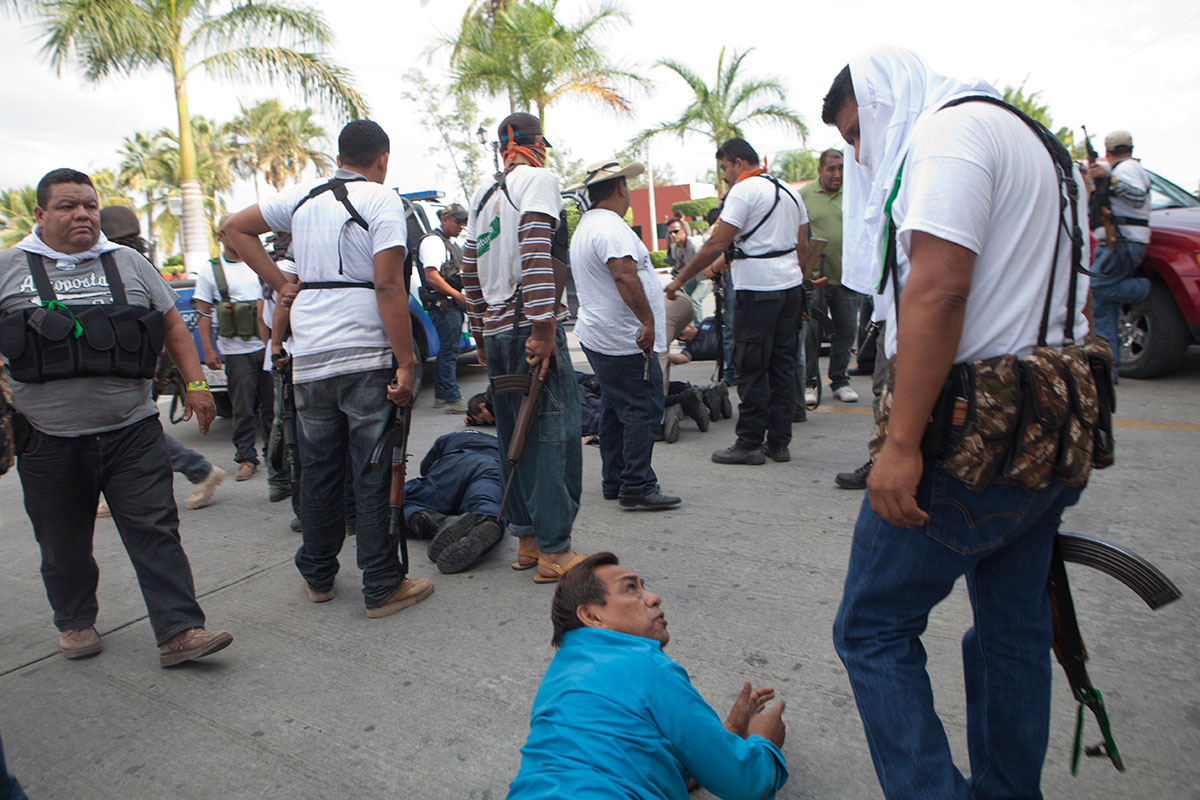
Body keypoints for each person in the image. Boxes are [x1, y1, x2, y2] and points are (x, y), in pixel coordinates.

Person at [822, 47, 1093, 798]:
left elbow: (940, 292)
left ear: (887, 101)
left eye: (858, 131)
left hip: (970, 442)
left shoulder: (946, 137)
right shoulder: (1040, 145)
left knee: (871, 628)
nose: (858, 153)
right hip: (1047, 435)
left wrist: (901, 443)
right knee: (1013, 629)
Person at [1, 168, 233, 666]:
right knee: (62, 541)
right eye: (67, 206)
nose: (82, 214)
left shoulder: (128, 262)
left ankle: (180, 630)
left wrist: (196, 386)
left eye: (89, 205)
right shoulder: (9, 267)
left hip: (133, 429)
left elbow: (172, 322)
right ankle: (75, 620)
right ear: (40, 214)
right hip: (47, 437)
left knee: (156, 530)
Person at [223, 119, 434, 618]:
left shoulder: (303, 197)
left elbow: (233, 227)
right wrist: (407, 362)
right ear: (383, 159)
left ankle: (317, 576)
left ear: (339, 158)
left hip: (311, 356)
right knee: (372, 470)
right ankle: (381, 584)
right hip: (363, 354)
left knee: (317, 471)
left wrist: (282, 283)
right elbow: (388, 286)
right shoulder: (382, 200)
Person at [507, 552, 788, 799]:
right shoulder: (645, 665)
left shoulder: (555, 681)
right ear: (592, 616)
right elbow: (744, 783)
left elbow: (634, 771)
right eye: (631, 588)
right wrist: (765, 742)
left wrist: (728, 731)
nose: (653, 598)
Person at [461, 112, 585, 583]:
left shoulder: (483, 194)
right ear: (536, 145)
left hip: (498, 331)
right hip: (529, 327)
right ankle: (555, 550)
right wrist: (544, 329)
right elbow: (535, 250)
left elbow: (469, 267)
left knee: (513, 436)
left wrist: (479, 332)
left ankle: (528, 542)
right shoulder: (539, 180)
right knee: (553, 438)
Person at [666, 137, 808, 465]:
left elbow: (716, 244)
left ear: (739, 162)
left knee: (752, 367)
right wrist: (796, 283)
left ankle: (749, 443)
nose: (724, 175)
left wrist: (680, 279)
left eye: (725, 167)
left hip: (757, 290)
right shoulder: (790, 192)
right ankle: (779, 443)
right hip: (790, 289)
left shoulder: (744, 192)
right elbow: (803, 247)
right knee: (783, 366)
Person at [97, 205, 226, 511]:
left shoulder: (124, 266)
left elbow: (166, 323)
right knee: (124, 427)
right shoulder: (135, 263)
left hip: (135, 363)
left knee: (131, 428)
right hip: (143, 360)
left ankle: (199, 470)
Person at [569, 159, 680, 511]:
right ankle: (637, 483)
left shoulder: (589, 225)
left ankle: (616, 479)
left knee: (615, 408)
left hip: (602, 334)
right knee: (643, 408)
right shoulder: (610, 227)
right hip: (622, 337)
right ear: (620, 187)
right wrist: (647, 321)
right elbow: (624, 275)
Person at [193, 216, 273, 481]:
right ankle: (247, 458)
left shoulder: (260, 263)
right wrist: (209, 350)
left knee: (273, 407)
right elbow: (203, 314)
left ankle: (276, 456)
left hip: (266, 347)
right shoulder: (211, 270)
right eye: (232, 232)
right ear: (221, 236)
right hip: (236, 351)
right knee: (243, 408)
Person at [1086, 130, 1151, 379]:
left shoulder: (1127, 169)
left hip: (1122, 243)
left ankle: (1145, 289)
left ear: (1108, 151)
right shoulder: (1122, 169)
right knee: (1104, 309)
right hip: (1115, 243)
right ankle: (1108, 369)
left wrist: (1108, 179)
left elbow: (1137, 197)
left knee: (1097, 287)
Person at [799, 148, 860, 404]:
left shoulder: (854, 193)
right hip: (815, 280)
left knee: (846, 331)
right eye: (832, 168)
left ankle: (839, 380)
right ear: (820, 170)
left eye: (842, 168)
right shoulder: (804, 195)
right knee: (812, 333)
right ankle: (809, 383)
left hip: (847, 278)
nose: (838, 174)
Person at [404, 429, 505, 574]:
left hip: (456, 461)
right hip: (494, 466)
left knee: (398, 500)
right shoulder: (502, 441)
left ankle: (437, 522)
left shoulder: (449, 437)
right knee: (488, 499)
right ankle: (487, 519)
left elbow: (425, 468)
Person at [418, 203, 469, 413]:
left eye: (464, 223)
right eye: (458, 222)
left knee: (448, 350)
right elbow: (432, 276)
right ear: (444, 219)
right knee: (450, 352)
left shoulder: (449, 243)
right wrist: (457, 294)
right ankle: (452, 399)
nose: (461, 226)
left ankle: (441, 395)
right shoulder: (433, 242)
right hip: (443, 304)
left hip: (449, 303)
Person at [666, 219, 706, 323]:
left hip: (704, 277)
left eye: (676, 231)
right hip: (691, 277)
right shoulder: (674, 247)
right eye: (670, 233)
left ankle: (699, 328)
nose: (673, 235)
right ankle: (689, 327)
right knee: (683, 301)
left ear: (683, 231)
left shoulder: (694, 244)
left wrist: (685, 269)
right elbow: (679, 263)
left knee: (695, 300)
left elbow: (703, 262)